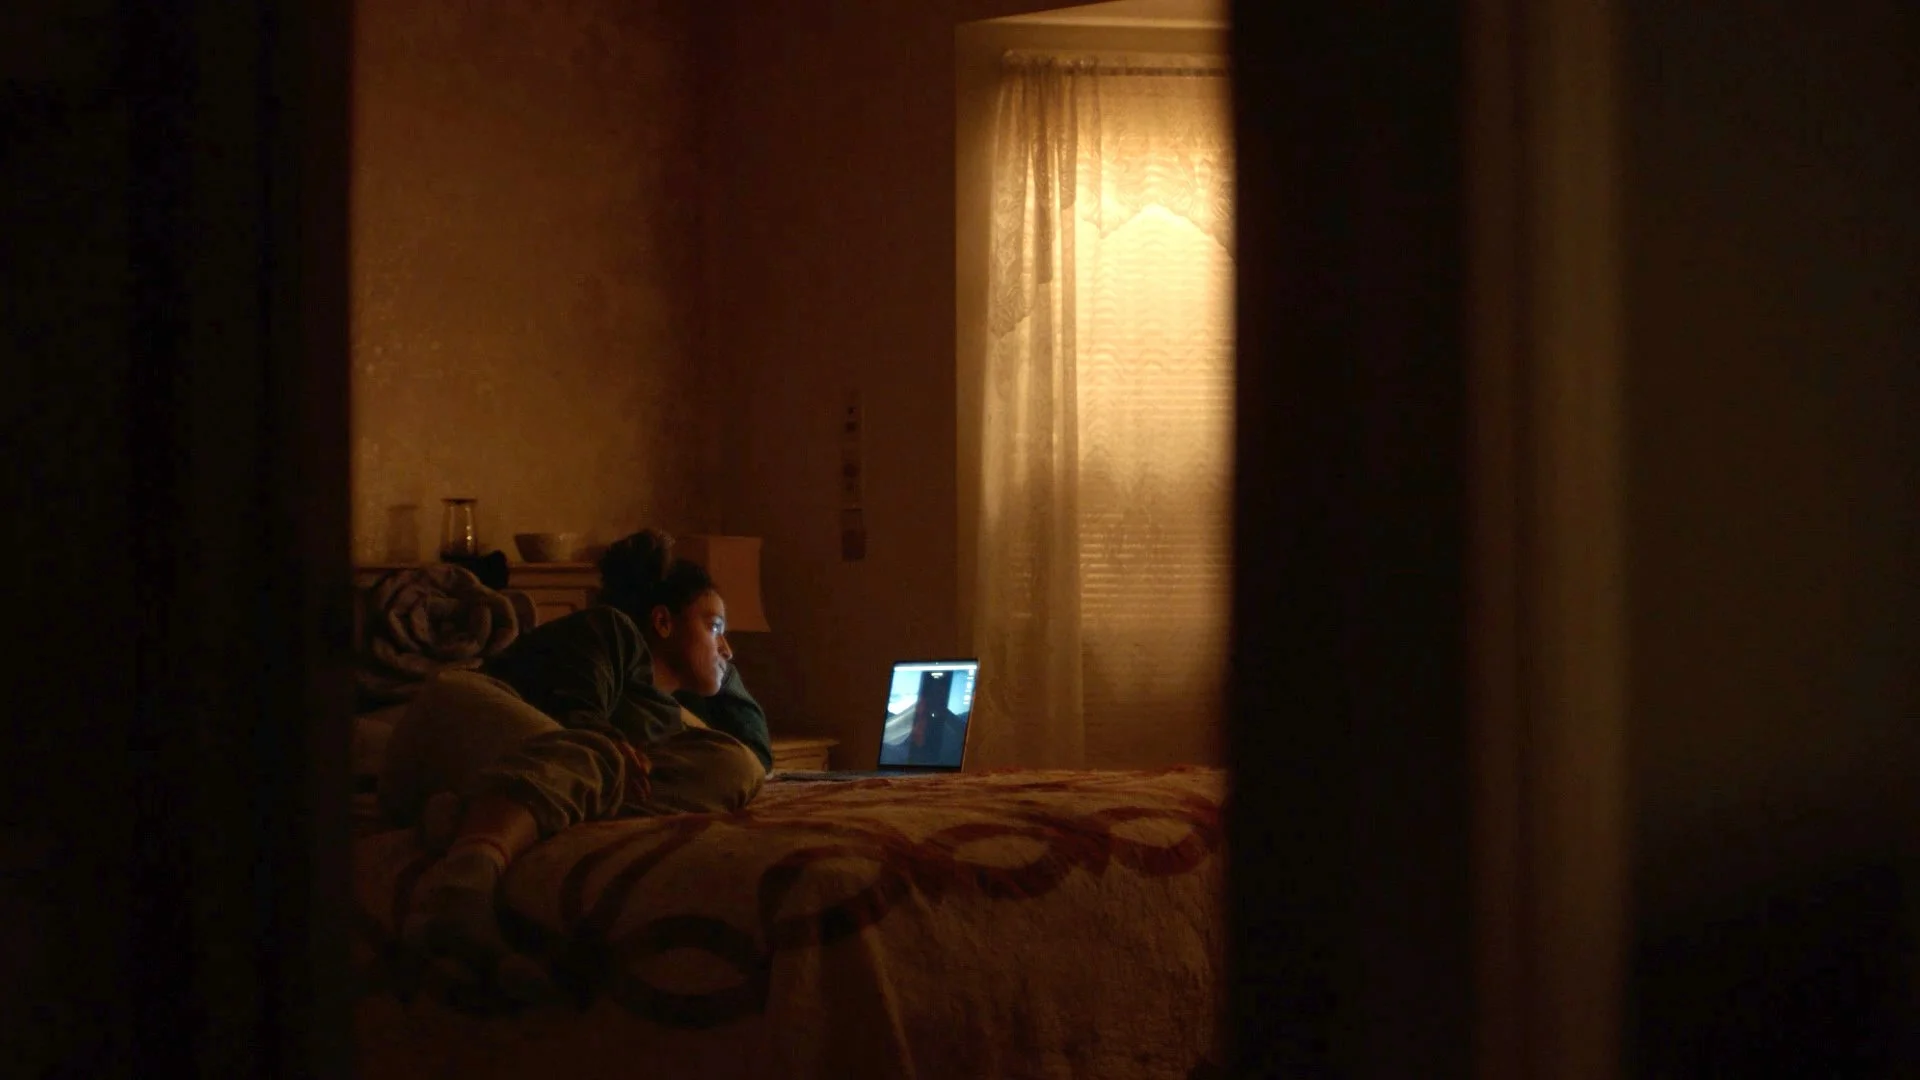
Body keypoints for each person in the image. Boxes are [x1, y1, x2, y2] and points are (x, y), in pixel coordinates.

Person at [378, 529, 770, 997]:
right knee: (601, 753)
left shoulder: (667, 712)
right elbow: (575, 714)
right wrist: (613, 750)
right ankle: (458, 894)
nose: (727, 648)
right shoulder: (609, 630)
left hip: (499, 771)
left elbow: (754, 754)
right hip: (455, 720)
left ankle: (467, 815)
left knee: (732, 764)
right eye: (715, 627)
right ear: (662, 621)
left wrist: (721, 666)